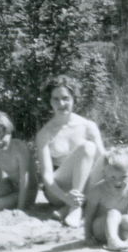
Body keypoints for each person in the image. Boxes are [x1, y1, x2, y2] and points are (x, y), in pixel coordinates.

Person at [34, 75, 106, 227]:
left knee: (101, 156)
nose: (61, 103)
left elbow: (104, 161)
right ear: (49, 101)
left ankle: (71, 208)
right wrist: (66, 197)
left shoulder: (88, 126)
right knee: (86, 147)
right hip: (58, 190)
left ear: (74, 98)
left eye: (65, 98)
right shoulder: (44, 134)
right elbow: (47, 177)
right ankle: (74, 207)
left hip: (85, 186)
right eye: (55, 99)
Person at [83, 149, 128, 252]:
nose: (118, 182)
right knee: (114, 213)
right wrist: (88, 236)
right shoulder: (98, 190)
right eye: (112, 177)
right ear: (104, 174)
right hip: (100, 231)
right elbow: (89, 214)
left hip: (122, 232)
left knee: (126, 218)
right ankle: (112, 241)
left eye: (123, 177)